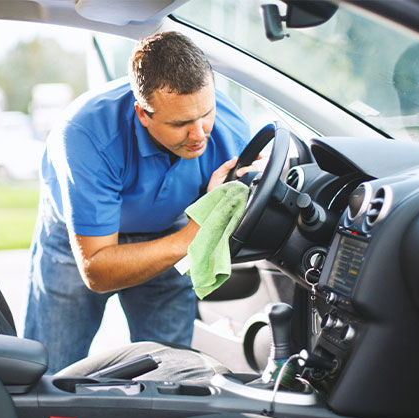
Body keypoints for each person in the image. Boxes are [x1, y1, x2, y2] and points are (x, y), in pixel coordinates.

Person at [24, 31, 253, 373]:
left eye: (205, 113)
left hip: (171, 227)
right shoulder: (86, 135)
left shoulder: (230, 130)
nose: (199, 134)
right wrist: (192, 237)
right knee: (50, 373)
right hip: (80, 242)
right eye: (180, 124)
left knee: (171, 375)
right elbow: (98, 270)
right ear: (143, 114)